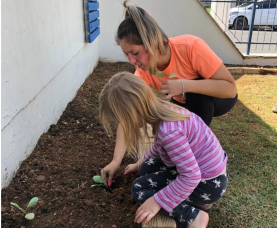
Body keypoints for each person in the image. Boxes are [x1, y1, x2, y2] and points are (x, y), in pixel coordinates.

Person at [101, 0, 236, 197]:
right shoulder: (144, 71)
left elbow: (230, 88)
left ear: (151, 41)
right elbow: (127, 114)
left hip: (217, 98)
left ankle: (199, 163)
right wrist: (116, 161)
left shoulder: (190, 46)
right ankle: (182, 157)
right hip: (183, 101)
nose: (131, 61)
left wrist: (183, 85)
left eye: (135, 53)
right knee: (170, 123)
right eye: (126, 54)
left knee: (194, 100)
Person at [99, 72, 228, 228]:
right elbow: (158, 146)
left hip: (207, 184)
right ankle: (201, 202)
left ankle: (194, 217)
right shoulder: (163, 112)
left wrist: (156, 201)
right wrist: (139, 163)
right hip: (210, 175)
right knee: (147, 166)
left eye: (122, 121)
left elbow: (191, 176)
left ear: (132, 115)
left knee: (140, 189)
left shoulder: (169, 133)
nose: (123, 126)